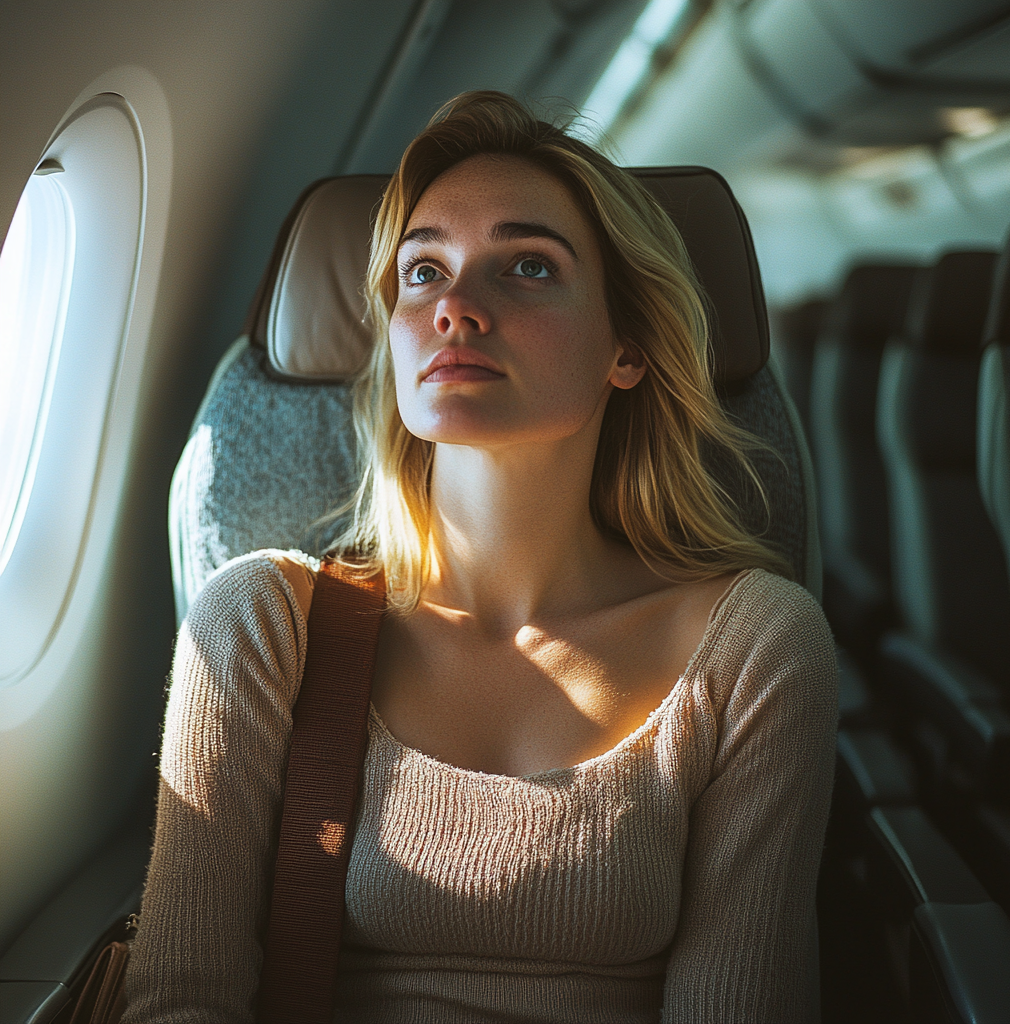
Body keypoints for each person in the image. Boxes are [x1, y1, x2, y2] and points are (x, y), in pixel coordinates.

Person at [123, 91, 837, 1023]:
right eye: (423, 272)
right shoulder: (259, 627)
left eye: (529, 266)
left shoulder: (756, 647)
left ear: (627, 346)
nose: (455, 306)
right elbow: (182, 1004)